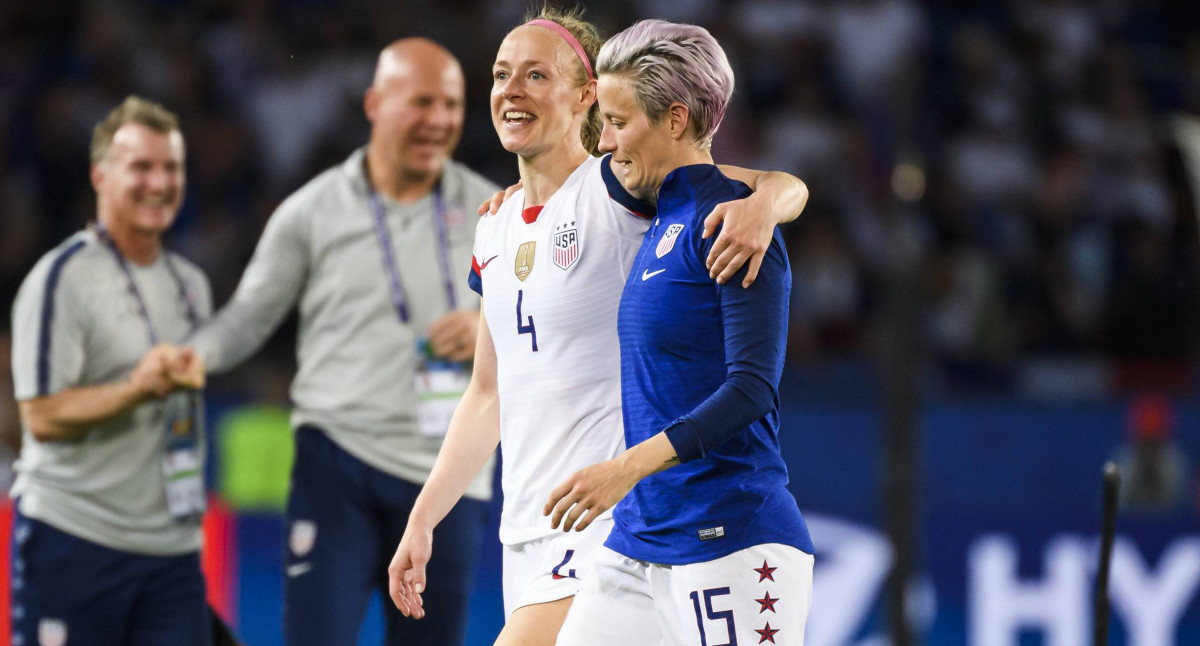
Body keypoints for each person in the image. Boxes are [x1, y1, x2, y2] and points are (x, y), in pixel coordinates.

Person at [387, 8, 808, 646]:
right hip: (526, 526)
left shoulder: (618, 185)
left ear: (585, 96)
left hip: (608, 518)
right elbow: (486, 394)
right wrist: (424, 519)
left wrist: (768, 206)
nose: (512, 89)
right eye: (502, 75)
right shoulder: (493, 229)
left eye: (535, 74)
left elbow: (754, 184)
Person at [188, 38, 499, 646]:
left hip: (447, 473)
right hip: (338, 458)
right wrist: (187, 359)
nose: (438, 120)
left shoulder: (496, 211)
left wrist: (489, 328)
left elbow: (547, 319)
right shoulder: (312, 211)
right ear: (375, 104)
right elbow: (248, 316)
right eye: (421, 103)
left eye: (452, 105)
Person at [546, 20, 815, 646]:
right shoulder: (658, 206)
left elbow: (751, 391)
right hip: (638, 540)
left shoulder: (731, 224)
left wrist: (624, 468)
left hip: (733, 542)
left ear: (673, 121)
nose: (605, 140)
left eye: (617, 121)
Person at [10, 96, 212, 645]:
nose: (159, 181)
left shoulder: (192, 285)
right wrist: (137, 389)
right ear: (100, 176)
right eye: (140, 166)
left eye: (171, 167)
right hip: (75, 540)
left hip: (170, 552)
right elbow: (41, 416)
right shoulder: (61, 278)